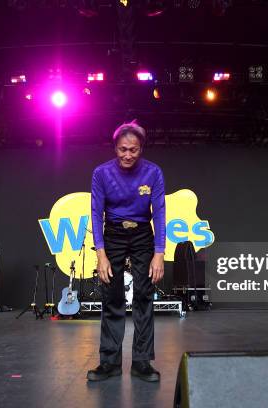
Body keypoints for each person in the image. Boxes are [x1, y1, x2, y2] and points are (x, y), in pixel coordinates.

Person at [87, 121, 166, 382]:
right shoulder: (101, 173)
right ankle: (109, 362)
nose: (128, 155)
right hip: (114, 234)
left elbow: (160, 213)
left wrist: (159, 253)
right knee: (112, 296)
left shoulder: (153, 173)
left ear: (141, 148)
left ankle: (142, 362)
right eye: (123, 149)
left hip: (143, 233)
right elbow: (97, 213)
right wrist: (101, 254)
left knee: (144, 295)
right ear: (115, 148)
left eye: (133, 149)